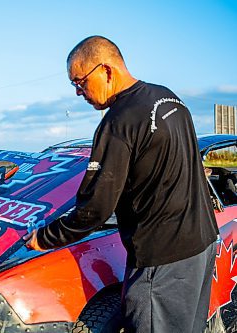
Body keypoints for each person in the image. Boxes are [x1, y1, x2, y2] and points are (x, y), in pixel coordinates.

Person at [24, 36, 218, 332]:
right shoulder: (168, 98)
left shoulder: (118, 123)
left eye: (79, 82)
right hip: (201, 244)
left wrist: (45, 238)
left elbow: (95, 209)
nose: (78, 92)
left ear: (106, 71)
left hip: (162, 258)